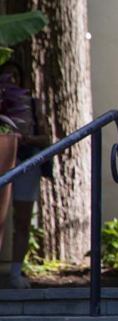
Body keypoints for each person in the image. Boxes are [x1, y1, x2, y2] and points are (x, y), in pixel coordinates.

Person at [0, 61, 51, 289]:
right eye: (5, 78)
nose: (10, 82)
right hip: (4, 162)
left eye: (15, 77)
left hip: (26, 163)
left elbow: (46, 138)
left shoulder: (31, 103)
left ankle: (16, 272)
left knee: (22, 219)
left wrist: (27, 140)